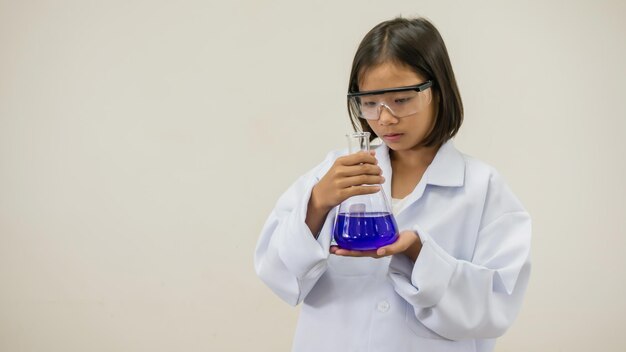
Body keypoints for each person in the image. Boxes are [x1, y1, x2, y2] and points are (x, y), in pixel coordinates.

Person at [254, 16, 531, 352]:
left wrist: (418, 254)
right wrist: (315, 205)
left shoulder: (483, 188)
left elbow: (495, 308)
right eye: (370, 103)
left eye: (401, 99)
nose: (384, 118)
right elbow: (275, 272)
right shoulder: (332, 173)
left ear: (437, 91)